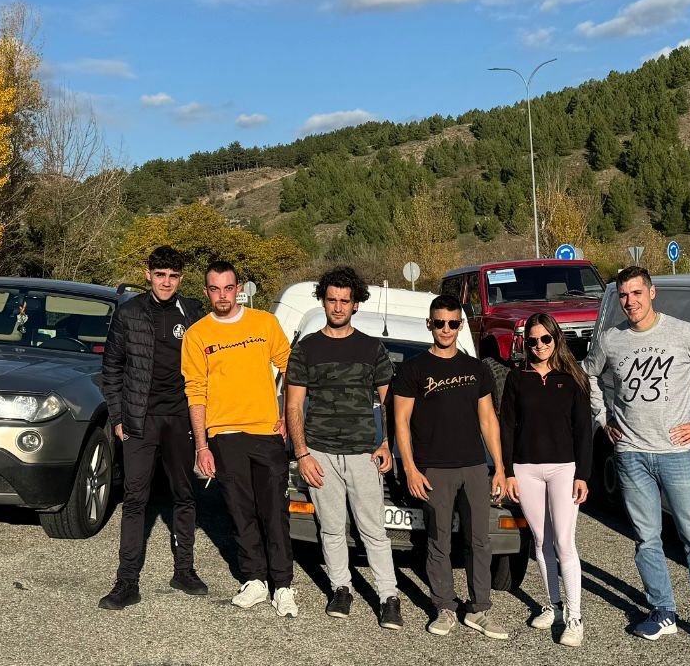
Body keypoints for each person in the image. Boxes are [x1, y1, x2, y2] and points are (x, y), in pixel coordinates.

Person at [581, 266, 690, 651]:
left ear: (652, 293)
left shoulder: (683, 333)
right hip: (631, 454)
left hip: (677, 455)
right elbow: (589, 377)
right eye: (623, 295)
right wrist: (603, 420)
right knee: (647, 540)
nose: (630, 302)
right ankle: (662, 611)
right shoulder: (611, 339)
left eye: (636, 293)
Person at [285, 267, 401, 629]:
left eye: (344, 301)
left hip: (364, 453)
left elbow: (391, 401)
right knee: (332, 529)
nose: (337, 307)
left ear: (355, 304)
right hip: (319, 453)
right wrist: (302, 454)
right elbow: (293, 406)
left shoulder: (371, 347)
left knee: (373, 531)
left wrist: (386, 443)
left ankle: (389, 597)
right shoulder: (305, 349)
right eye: (332, 299)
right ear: (323, 300)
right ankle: (341, 589)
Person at [182, 261, 296, 618]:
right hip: (224, 435)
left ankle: (283, 585)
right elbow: (195, 391)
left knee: (274, 511)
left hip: (266, 431)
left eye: (228, 288)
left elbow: (290, 367)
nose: (222, 296)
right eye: (214, 289)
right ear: (206, 292)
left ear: (239, 288)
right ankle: (255, 580)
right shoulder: (197, 335)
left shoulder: (264, 323)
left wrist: (287, 416)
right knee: (240, 511)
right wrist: (202, 446)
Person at [392, 295, 509, 640]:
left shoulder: (476, 368)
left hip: (474, 465)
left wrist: (499, 467)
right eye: (439, 322)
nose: (446, 329)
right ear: (429, 324)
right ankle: (444, 607)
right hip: (434, 469)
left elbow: (488, 419)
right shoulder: (413, 369)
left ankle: (479, 609)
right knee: (439, 540)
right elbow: (401, 422)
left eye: (453, 323)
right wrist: (411, 469)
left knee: (479, 541)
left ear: (460, 326)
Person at [98, 246, 207, 610]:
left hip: (180, 419)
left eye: (173, 276)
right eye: (160, 275)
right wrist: (118, 418)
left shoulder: (192, 312)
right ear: (148, 275)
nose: (166, 282)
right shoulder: (128, 313)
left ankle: (184, 570)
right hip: (139, 420)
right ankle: (127, 582)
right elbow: (111, 368)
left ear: (181, 279)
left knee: (184, 495)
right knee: (135, 499)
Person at [499, 312, 592, 647]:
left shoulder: (573, 377)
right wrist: (508, 471)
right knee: (541, 541)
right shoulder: (517, 378)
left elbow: (583, 430)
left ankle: (575, 617)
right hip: (526, 470)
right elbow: (506, 426)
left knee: (565, 543)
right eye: (533, 340)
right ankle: (552, 605)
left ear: (556, 338)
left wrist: (583, 474)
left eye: (546, 339)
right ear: (526, 342)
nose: (539, 346)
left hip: (564, 469)